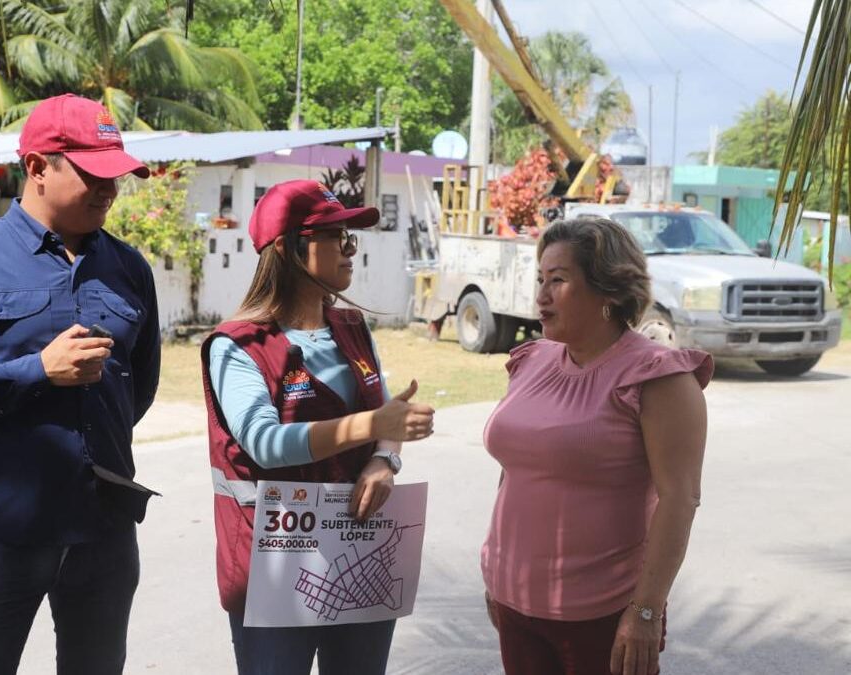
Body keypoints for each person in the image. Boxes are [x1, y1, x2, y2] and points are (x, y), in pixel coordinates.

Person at [0, 93, 162, 675]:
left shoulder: (130, 269)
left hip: (104, 532)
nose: (109, 190)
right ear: (38, 167)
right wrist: (37, 373)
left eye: (116, 177)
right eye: (93, 174)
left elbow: (135, 392)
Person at [201, 179, 435, 675]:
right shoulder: (238, 344)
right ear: (288, 249)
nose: (351, 249)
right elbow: (265, 444)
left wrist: (384, 456)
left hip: (361, 551)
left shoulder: (351, 327)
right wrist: (372, 424)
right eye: (336, 237)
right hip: (272, 571)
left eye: (351, 236)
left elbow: (384, 414)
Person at [481, 217, 713, 675]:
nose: (541, 295)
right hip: (515, 600)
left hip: (603, 613)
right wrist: (498, 574)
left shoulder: (657, 376)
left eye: (559, 280)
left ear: (608, 289)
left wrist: (646, 610)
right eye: (540, 279)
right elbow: (515, 467)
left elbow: (680, 499)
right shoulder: (531, 360)